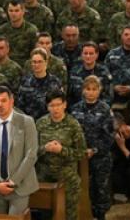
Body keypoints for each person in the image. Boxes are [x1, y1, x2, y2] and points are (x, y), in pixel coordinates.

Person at [36, 89, 87, 220]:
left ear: (65, 105)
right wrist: (44, 148)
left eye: (58, 105)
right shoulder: (40, 123)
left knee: (70, 215)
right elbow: (31, 151)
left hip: (67, 178)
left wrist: (62, 150)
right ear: (47, 107)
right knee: (44, 214)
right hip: (44, 177)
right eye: (52, 105)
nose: (56, 109)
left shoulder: (73, 125)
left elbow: (81, 153)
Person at [69, 76, 114, 220]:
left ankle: (100, 215)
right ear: (83, 90)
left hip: (100, 158)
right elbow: (71, 133)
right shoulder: (75, 109)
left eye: (94, 89)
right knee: (82, 189)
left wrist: (94, 150)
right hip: (80, 157)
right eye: (88, 89)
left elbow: (109, 136)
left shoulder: (105, 109)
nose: (91, 92)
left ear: (99, 91)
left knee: (100, 189)